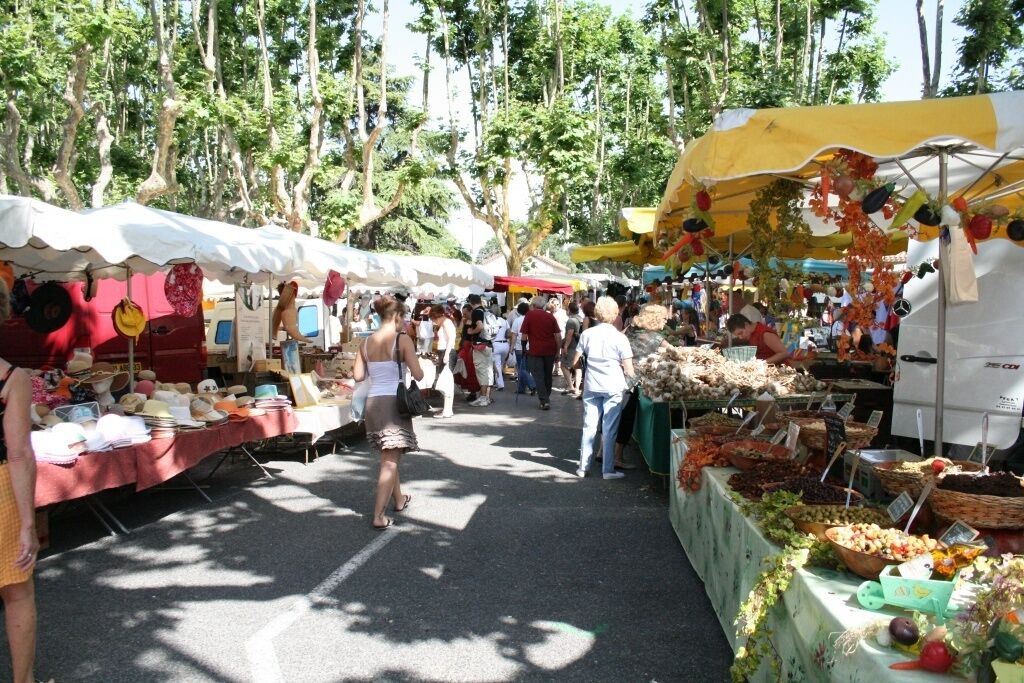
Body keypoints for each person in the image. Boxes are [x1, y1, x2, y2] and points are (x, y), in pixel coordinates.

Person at [352, 295, 424, 530]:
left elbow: (358, 376)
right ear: (395, 316)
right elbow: (419, 374)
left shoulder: (364, 343)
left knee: (388, 455)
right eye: (403, 317)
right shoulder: (402, 340)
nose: (404, 322)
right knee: (390, 461)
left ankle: (399, 499)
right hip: (394, 403)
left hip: (373, 403)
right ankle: (378, 515)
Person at [0, 279, 39, 683]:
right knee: (16, 589)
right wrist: (29, 522)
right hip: (1, 493)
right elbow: (19, 454)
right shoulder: (11, 378)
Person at [573, 296, 635, 479]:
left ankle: (583, 467)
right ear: (616, 314)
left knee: (589, 427)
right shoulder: (620, 338)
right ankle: (607, 470)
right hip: (613, 386)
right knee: (609, 429)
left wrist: (586, 366)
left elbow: (575, 362)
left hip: (592, 385)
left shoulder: (587, 334)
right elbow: (629, 369)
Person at [614, 304, 673, 470]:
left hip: (618, 375)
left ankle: (601, 452)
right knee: (626, 418)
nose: (666, 322)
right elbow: (675, 352)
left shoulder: (630, 329)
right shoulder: (656, 338)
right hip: (633, 380)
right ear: (654, 319)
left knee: (613, 416)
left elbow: (618, 340)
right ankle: (617, 457)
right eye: (663, 318)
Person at [519, 295, 562, 410]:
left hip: (535, 350)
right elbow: (558, 335)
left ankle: (544, 400)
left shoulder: (529, 315)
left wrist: (523, 348)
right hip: (550, 350)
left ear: (533, 305)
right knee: (548, 375)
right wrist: (558, 351)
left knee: (538, 376)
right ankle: (546, 397)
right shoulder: (550, 317)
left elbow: (524, 335)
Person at [464, 294, 494, 407]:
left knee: (482, 371)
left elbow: (480, 326)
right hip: (488, 344)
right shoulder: (485, 311)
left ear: (471, 303)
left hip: (479, 345)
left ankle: (482, 398)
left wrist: (471, 332)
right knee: (488, 371)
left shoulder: (477, 312)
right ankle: (486, 397)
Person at [726, 313, 791, 365]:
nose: (740, 337)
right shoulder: (750, 333)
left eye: (741, 333)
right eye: (738, 335)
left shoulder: (765, 333)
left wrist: (763, 363)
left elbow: (784, 353)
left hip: (778, 370)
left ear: (746, 325)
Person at [429, 305, 456, 418]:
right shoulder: (445, 323)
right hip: (444, 352)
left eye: (434, 319)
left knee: (447, 382)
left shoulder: (446, 323)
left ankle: (447, 410)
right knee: (446, 381)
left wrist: (446, 355)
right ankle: (447, 409)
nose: (434, 322)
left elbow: (451, 338)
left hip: (446, 352)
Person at [510, 302, 536, 396]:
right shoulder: (532, 319)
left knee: (522, 369)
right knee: (526, 368)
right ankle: (521, 388)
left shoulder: (517, 320)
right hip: (531, 347)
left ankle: (532, 384)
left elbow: (514, 335)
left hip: (520, 347)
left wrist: (511, 347)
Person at [456, 304, 480, 402]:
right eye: (463, 313)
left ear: (470, 311)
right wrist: (463, 320)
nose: (463, 314)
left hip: (471, 347)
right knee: (462, 366)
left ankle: (473, 392)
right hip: (464, 346)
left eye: (465, 313)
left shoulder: (475, 321)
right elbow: (460, 331)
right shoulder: (465, 320)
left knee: (470, 370)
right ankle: (469, 390)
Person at [558, 302, 582, 396]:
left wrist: (565, 347)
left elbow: (569, 334)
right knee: (578, 367)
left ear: (569, 310)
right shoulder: (580, 318)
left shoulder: (571, 320)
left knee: (563, 365)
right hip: (579, 346)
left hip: (572, 347)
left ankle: (571, 387)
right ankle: (576, 388)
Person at [490, 313, 511, 392]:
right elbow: (509, 334)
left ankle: (500, 384)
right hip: (505, 345)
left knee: (497, 365)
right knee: (500, 364)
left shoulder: (490, 321)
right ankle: (498, 381)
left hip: (495, 344)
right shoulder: (504, 321)